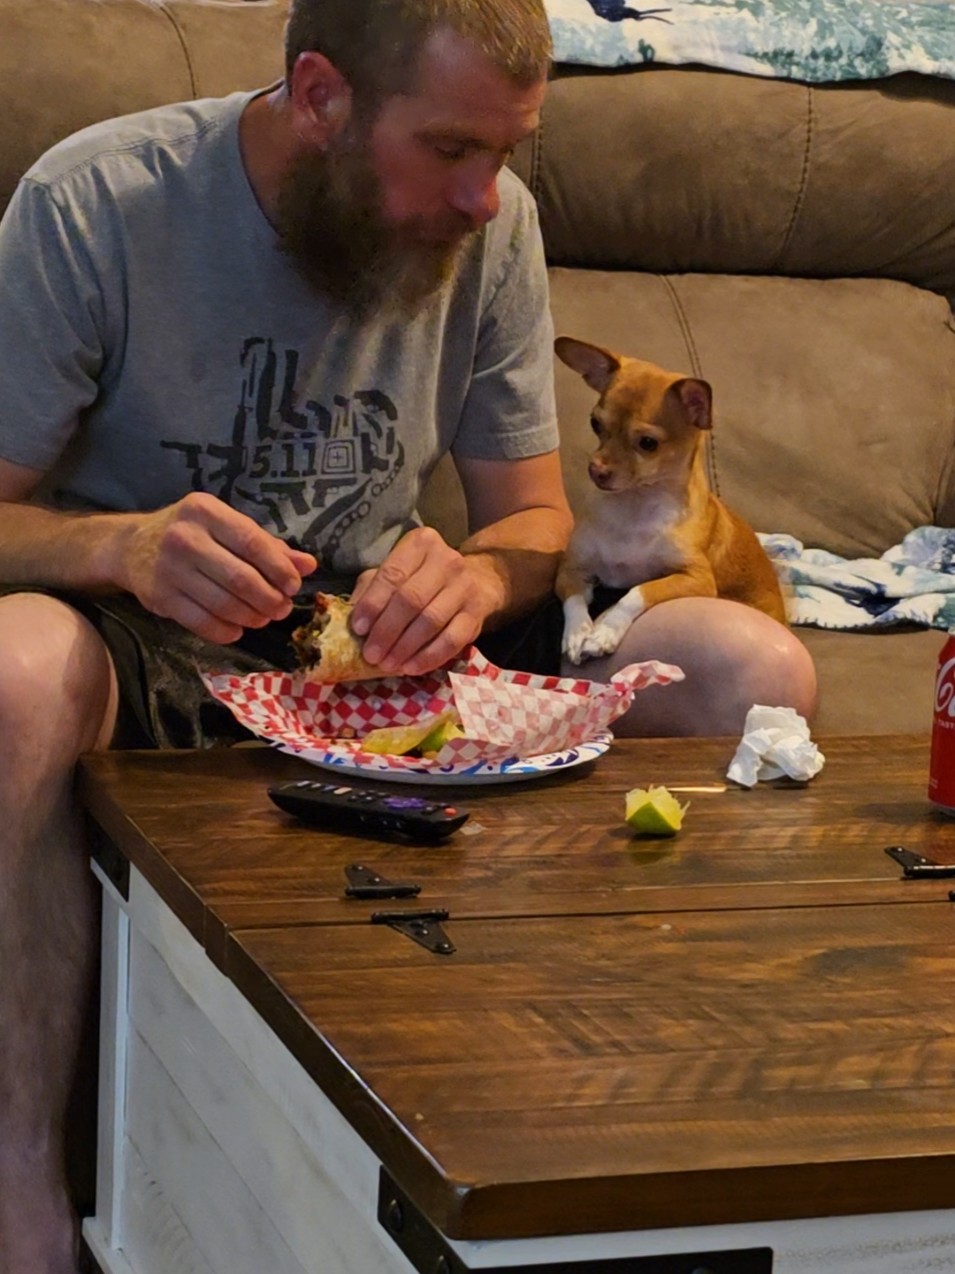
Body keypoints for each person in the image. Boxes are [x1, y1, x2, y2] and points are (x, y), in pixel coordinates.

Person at [0, 0, 815, 1269]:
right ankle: (26, 1196)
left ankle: (637, 1156)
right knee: (12, 674)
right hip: (152, 632)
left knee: (754, 664)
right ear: (320, 97)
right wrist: (117, 545)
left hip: (391, 649)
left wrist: (482, 583)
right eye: (448, 151)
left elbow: (535, 520)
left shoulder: (498, 231)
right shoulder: (96, 205)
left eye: (509, 153)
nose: (485, 197)